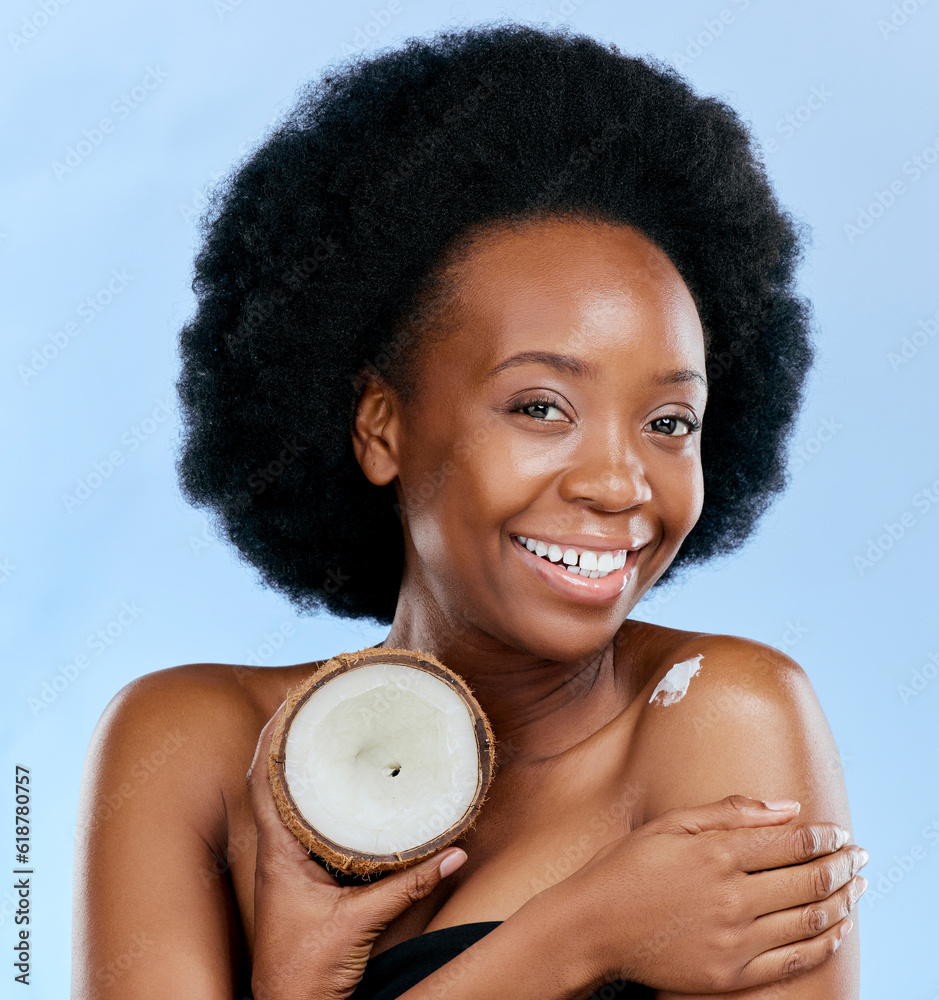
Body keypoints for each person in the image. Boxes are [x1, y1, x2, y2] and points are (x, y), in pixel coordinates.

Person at [71, 21, 867, 1000]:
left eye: (669, 420)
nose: (620, 482)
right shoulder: (186, 745)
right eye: (541, 406)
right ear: (381, 426)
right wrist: (579, 933)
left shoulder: (720, 716)